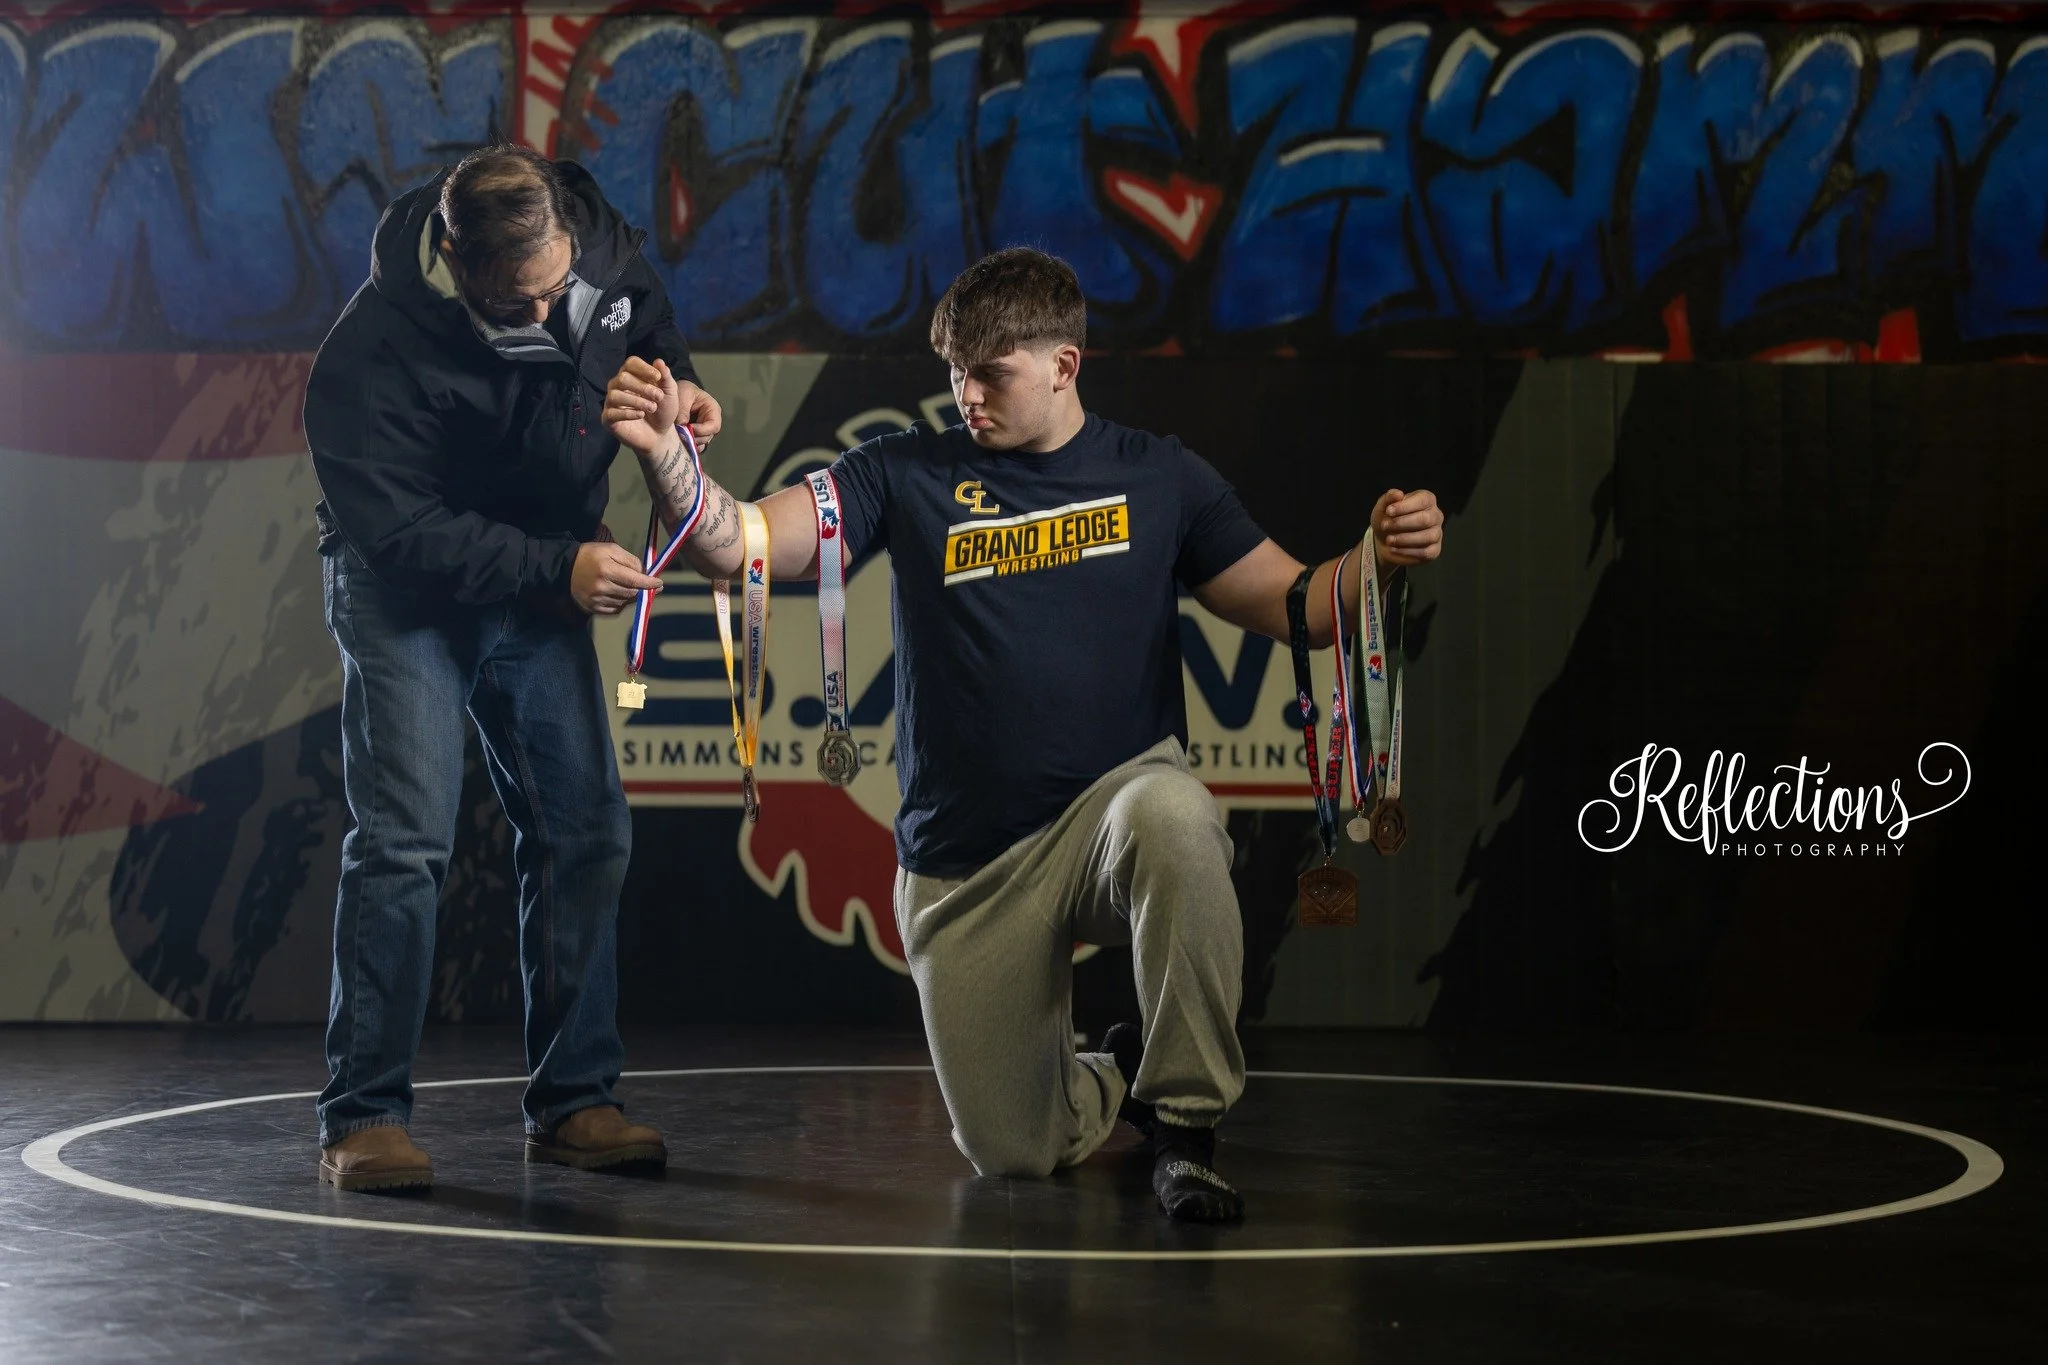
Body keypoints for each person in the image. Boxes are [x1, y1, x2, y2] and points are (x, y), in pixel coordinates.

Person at [603, 248, 1443, 1222]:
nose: (967, 394)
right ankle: (1119, 1073)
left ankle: (1185, 1127)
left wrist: (1380, 559)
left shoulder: (1157, 475)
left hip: (1110, 814)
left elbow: (1299, 603)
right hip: (968, 861)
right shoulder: (902, 472)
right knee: (1011, 1150)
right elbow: (741, 543)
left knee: (1175, 817)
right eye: (955, 372)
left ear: (1062, 365)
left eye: (991, 373)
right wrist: (664, 456)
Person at [303, 145, 723, 1191]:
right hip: (409, 596)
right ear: (455, 260)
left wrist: (679, 383)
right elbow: (402, 535)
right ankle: (363, 1116)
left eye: (556, 290)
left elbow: (643, 321)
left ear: (570, 238)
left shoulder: (601, 253)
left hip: (542, 579)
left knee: (587, 832)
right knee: (404, 843)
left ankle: (574, 1101)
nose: (546, 316)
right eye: (516, 305)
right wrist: (557, 567)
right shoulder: (369, 354)